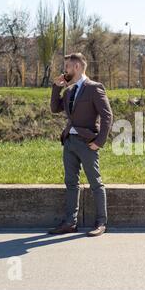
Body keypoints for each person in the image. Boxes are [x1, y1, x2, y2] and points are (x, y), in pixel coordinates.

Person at [48, 53, 113, 237]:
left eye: (67, 66)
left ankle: (101, 222)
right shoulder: (69, 90)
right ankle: (70, 222)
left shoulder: (94, 88)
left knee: (95, 183)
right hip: (69, 142)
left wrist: (99, 142)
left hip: (87, 143)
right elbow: (55, 108)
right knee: (71, 183)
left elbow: (107, 116)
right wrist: (56, 87)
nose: (65, 70)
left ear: (77, 67)